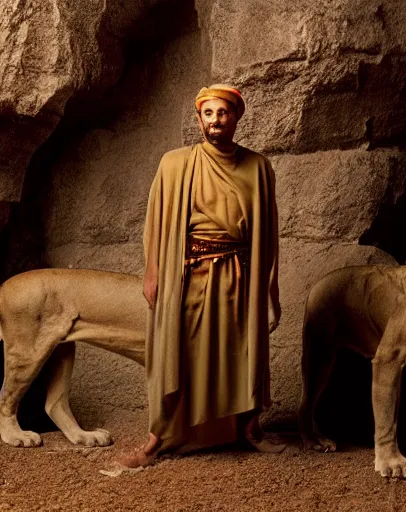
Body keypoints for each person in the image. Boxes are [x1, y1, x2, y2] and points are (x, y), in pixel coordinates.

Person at [119, 84, 283, 468]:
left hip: (239, 276)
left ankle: (248, 428)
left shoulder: (258, 167)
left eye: (222, 113)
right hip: (189, 274)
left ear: (236, 117)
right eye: (208, 114)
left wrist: (270, 287)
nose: (215, 121)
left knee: (241, 349)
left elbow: (269, 234)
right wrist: (153, 273)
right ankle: (157, 437)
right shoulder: (175, 164)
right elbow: (157, 224)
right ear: (199, 119)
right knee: (178, 351)